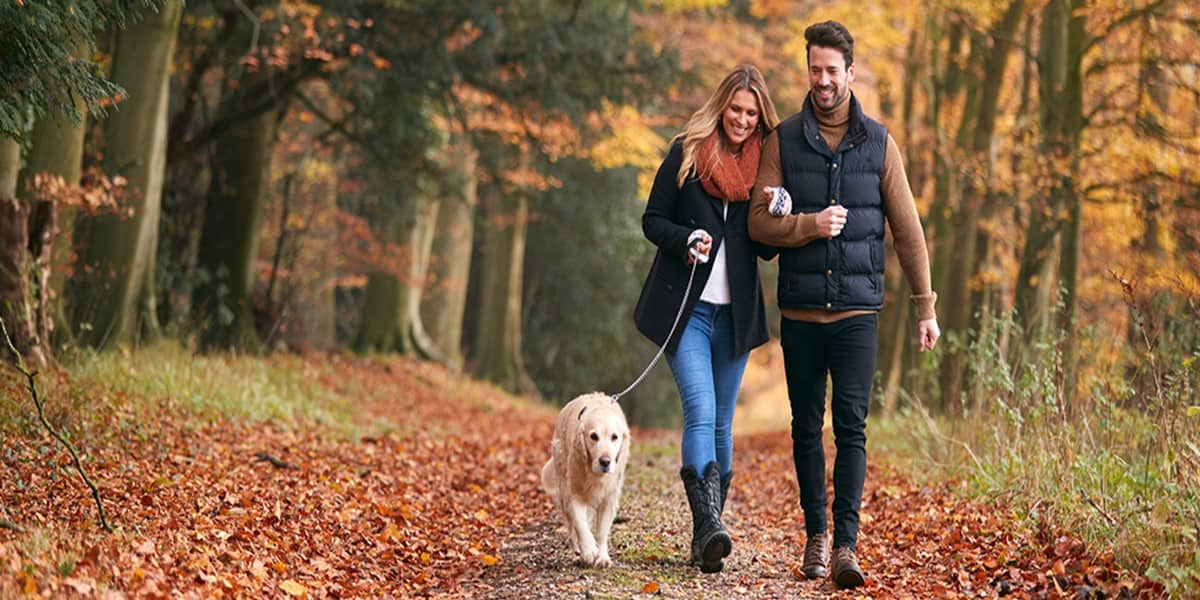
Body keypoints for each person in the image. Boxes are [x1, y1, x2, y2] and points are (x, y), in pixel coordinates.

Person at [747, 21, 940, 589]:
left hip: (858, 313)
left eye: (833, 71)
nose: (824, 80)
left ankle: (847, 547)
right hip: (801, 315)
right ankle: (815, 536)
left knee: (851, 429)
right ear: (807, 71)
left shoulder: (880, 145)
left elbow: (908, 231)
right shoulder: (780, 140)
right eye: (815, 70)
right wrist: (808, 225)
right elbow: (759, 225)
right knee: (806, 428)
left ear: (850, 73)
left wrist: (925, 307)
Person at [633, 64, 780, 573]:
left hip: (735, 317)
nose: (741, 120)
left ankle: (706, 535)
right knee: (700, 408)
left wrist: (779, 208)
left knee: (722, 420)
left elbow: (764, 250)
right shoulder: (687, 152)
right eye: (735, 109)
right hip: (686, 311)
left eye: (750, 113)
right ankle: (708, 527)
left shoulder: (766, 168)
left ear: (760, 117)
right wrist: (685, 240)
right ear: (722, 107)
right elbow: (653, 219)